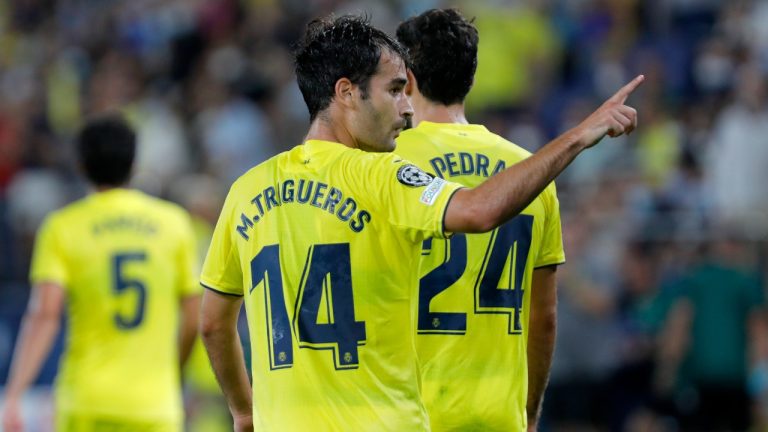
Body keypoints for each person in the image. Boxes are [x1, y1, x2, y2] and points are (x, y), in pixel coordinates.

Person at [199, 14, 642, 432]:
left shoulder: (247, 190)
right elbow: (479, 212)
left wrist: (243, 410)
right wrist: (578, 136)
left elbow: (214, 324)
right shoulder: (379, 175)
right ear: (348, 93)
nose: (407, 110)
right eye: (394, 90)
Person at [394, 8, 562, 431]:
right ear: (470, 78)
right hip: (498, 416)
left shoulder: (383, 164)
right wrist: (529, 411)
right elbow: (543, 317)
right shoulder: (529, 171)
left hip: (411, 414)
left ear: (407, 80)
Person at [1, 115, 201, 432]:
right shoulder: (173, 224)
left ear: (81, 165)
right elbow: (193, 316)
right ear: (134, 164)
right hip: (154, 404)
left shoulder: (63, 227)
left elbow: (44, 314)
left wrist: (14, 393)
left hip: (86, 401)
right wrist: (172, 370)